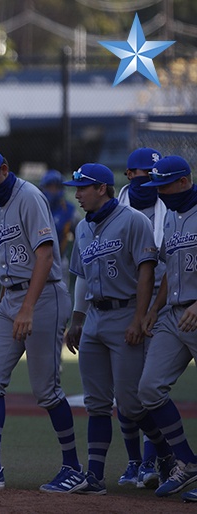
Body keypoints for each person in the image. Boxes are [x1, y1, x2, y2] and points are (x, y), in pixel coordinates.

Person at [0, 147, 85, 493]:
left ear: (4, 169)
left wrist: (27, 308)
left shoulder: (29, 197)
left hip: (44, 296)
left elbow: (45, 255)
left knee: (46, 390)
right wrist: (12, 301)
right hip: (12, 296)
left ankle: (73, 468)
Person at [61, 163, 174, 495]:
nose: (77, 193)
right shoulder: (83, 227)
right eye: (76, 187)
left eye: (83, 187)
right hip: (94, 316)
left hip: (124, 313)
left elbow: (146, 272)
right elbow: (80, 276)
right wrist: (77, 319)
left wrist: (140, 318)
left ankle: (165, 453)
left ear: (102, 189)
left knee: (131, 402)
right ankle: (94, 476)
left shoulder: (133, 221)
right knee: (96, 402)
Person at [139, 155, 197, 500]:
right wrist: (152, 309)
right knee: (148, 389)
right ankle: (187, 462)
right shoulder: (173, 219)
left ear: (184, 182)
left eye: (164, 185)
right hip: (173, 316)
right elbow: (169, 272)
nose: (159, 192)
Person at [115, 147, 167, 488]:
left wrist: (151, 311)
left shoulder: (173, 206)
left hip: (162, 303)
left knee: (150, 386)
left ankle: (152, 460)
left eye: (153, 176)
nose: (147, 181)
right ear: (130, 175)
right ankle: (135, 461)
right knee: (125, 390)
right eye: (141, 175)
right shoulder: (116, 207)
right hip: (123, 303)